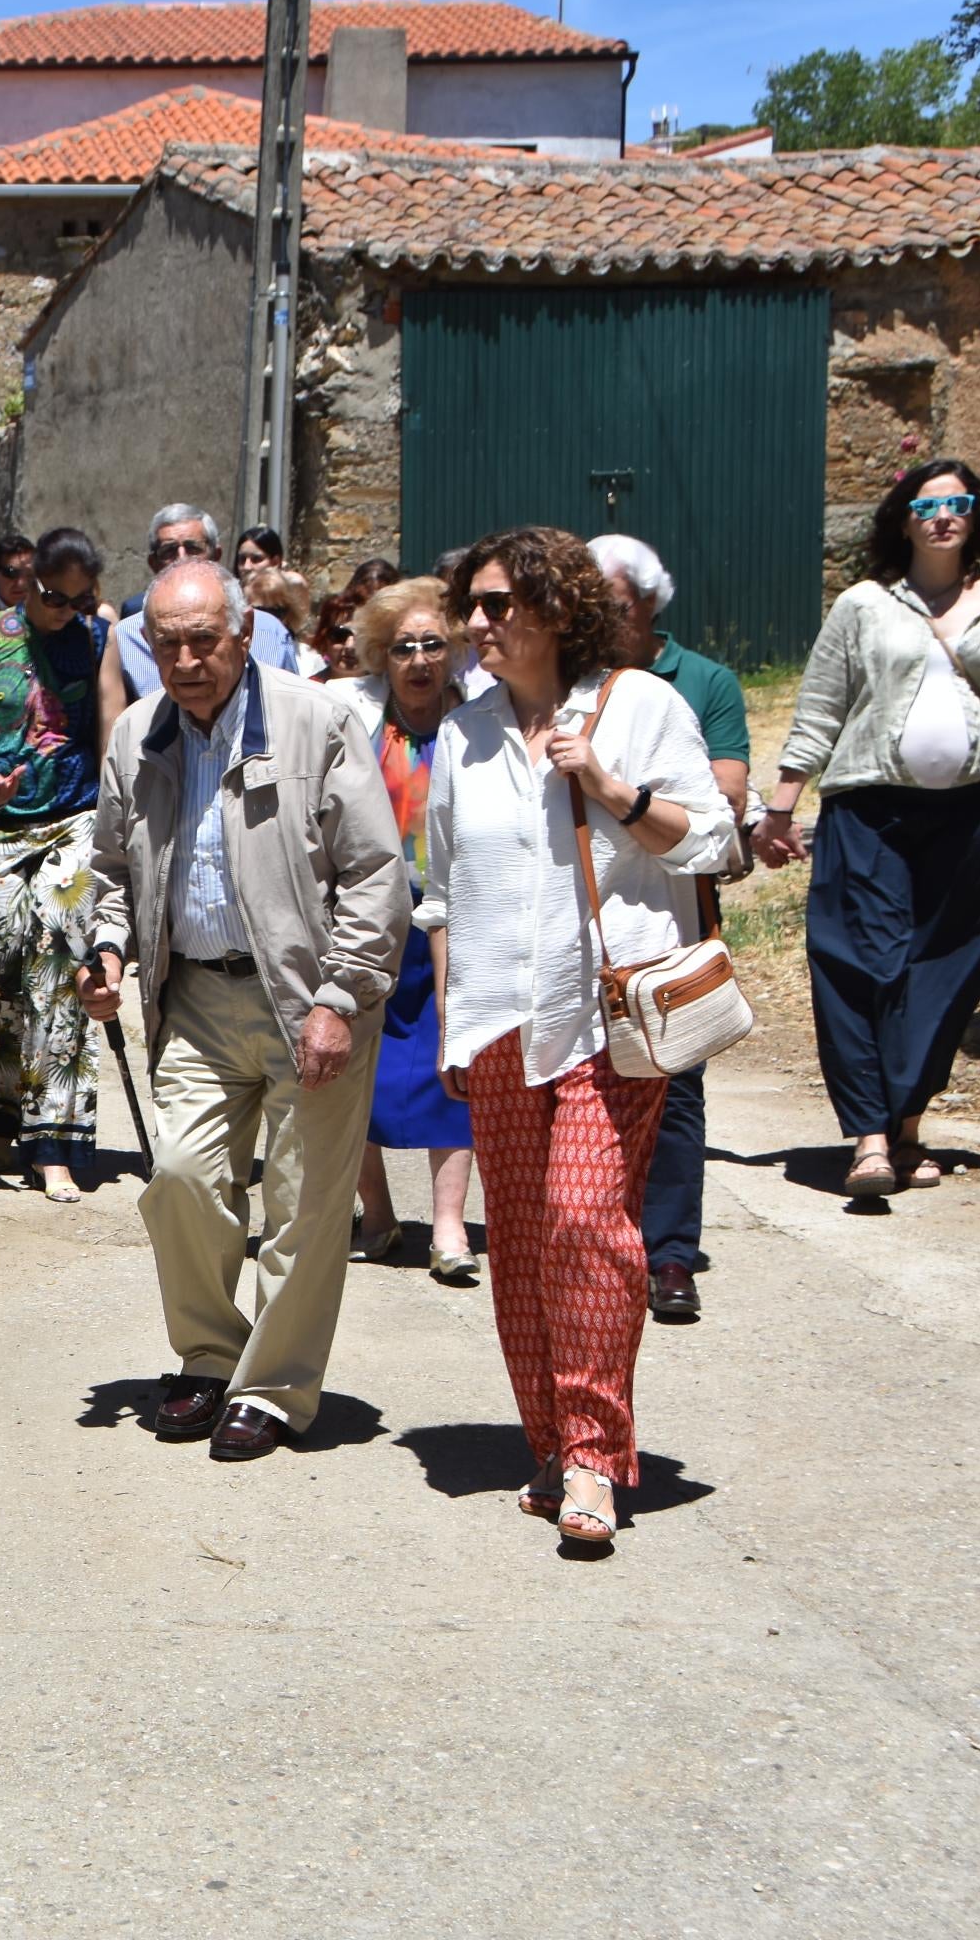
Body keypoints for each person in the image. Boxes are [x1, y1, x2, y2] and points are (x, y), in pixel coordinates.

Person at [426, 526, 734, 1546]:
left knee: (585, 1220)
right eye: (471, 603)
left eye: (498, 603)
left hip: (605, 1012)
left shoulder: (641, 704)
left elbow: (716, 840)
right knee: (516, 1239)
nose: (477, 623)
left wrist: (605, 784)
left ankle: (599, 1454)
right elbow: (446, 891)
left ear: (557, 609)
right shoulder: (463, 732)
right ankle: (550, 1441)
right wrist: (451, 1024)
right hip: (497, 1020)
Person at [74, 562, 408, 1460]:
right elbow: (112, 871)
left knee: (304, 1206)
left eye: (203, 641)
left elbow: (379, 876)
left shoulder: (319, 719)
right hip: (194, 999)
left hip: (309, 1002)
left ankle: (273, 1387)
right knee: (179, 1177)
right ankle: (209, 1355)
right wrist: (108, 952)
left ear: (244, 633)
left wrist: (341, 997)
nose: (186, 661)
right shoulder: (138, 735)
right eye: (167, 644)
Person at [754, 461, 980, 1201]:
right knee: (860, 963)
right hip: (870, 812)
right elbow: (820, 708)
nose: (944, 516)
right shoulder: (864, 604)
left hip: (974, 813)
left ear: (974, 513)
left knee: (942, 972)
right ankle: (872, 1139)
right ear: (905, 517)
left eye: (958, 503)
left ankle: (909, 1124)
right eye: (928, 504)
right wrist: (782, 807)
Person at [591, 533, 751, 1321]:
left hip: (672, 917)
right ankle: (607, 1240)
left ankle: (671, 1254)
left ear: (651, 604)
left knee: (674, 1079)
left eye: (613, 604)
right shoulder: (562, 686)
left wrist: (627, 797)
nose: (596, 617)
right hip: (588, 921)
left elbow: (724, 799)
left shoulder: (700, 682)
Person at [327, 578, 479, 1282]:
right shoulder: (351, 719)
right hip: (368, 922)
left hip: (458, 923)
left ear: (454, 652)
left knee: (454, 1070)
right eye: (403, 648)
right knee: (355, 1074)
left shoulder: (480, 720)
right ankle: (380, 1215)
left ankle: (449, 1226)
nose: (419, 661)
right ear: (380, 657)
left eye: (432, 646)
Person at [0, 532, 108, 1199]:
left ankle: (55, 1142)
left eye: (76, 600)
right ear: (25, 580)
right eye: (51, 596)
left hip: (72, 818)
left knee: (60, 964)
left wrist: (114, 818)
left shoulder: (101, 638)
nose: (62, 611)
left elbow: (111, 723)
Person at [115, 504, 301, 701]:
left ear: (216, 556)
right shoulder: (125, 639)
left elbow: (292, 710)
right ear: (153, 563)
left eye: (193, 548)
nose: (182, 558)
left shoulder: (269, 632)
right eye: (169, 551)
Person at [35, 526, 129, 746]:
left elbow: (111, 730)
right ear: (34, 579)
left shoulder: (98, 637)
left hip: (79, 778)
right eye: (56, 598)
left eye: (79, 602)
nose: (67, 610)